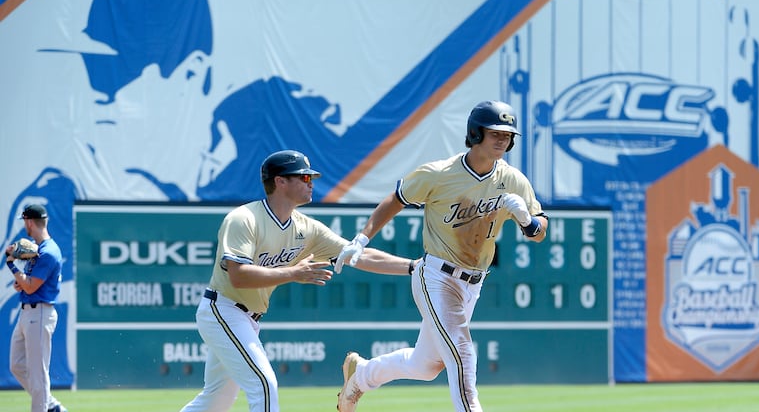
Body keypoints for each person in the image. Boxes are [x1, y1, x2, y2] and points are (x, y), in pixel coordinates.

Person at [334, 100, 549, 412]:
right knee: (462, 354)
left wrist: (529, 222)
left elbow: (541, 232)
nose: (503, 140)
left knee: (425, 366)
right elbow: (396, 199)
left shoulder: (513, 179)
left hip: (472, 283)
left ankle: (361, 375)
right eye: (496, 133)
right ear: (475, 133)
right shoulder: (439, 174)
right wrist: (363, 237)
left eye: (508, 135)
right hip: (437, 275)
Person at [180, 150, 415, 412]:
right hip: (222, 309)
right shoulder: (244, 219)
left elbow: (356, 255)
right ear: (280, 181)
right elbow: (239, 276)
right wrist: (293, 273)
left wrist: (413, 267)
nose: (311, 182)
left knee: (215, 401)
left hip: (246, 317)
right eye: (303, 176)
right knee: (264, 384)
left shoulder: (307, 228)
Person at [4, 204, 67, 412]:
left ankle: (46, 407)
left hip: (39, 312)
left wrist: (12, 265)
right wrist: (20, 281)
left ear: (30, 222)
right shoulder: (37, 248)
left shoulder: (48, 251)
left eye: (25, 221)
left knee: (39, 375)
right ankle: (52, 406)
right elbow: (27, 283)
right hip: (28, 312)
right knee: (17, 364)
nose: (25, 226)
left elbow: (31, 286)